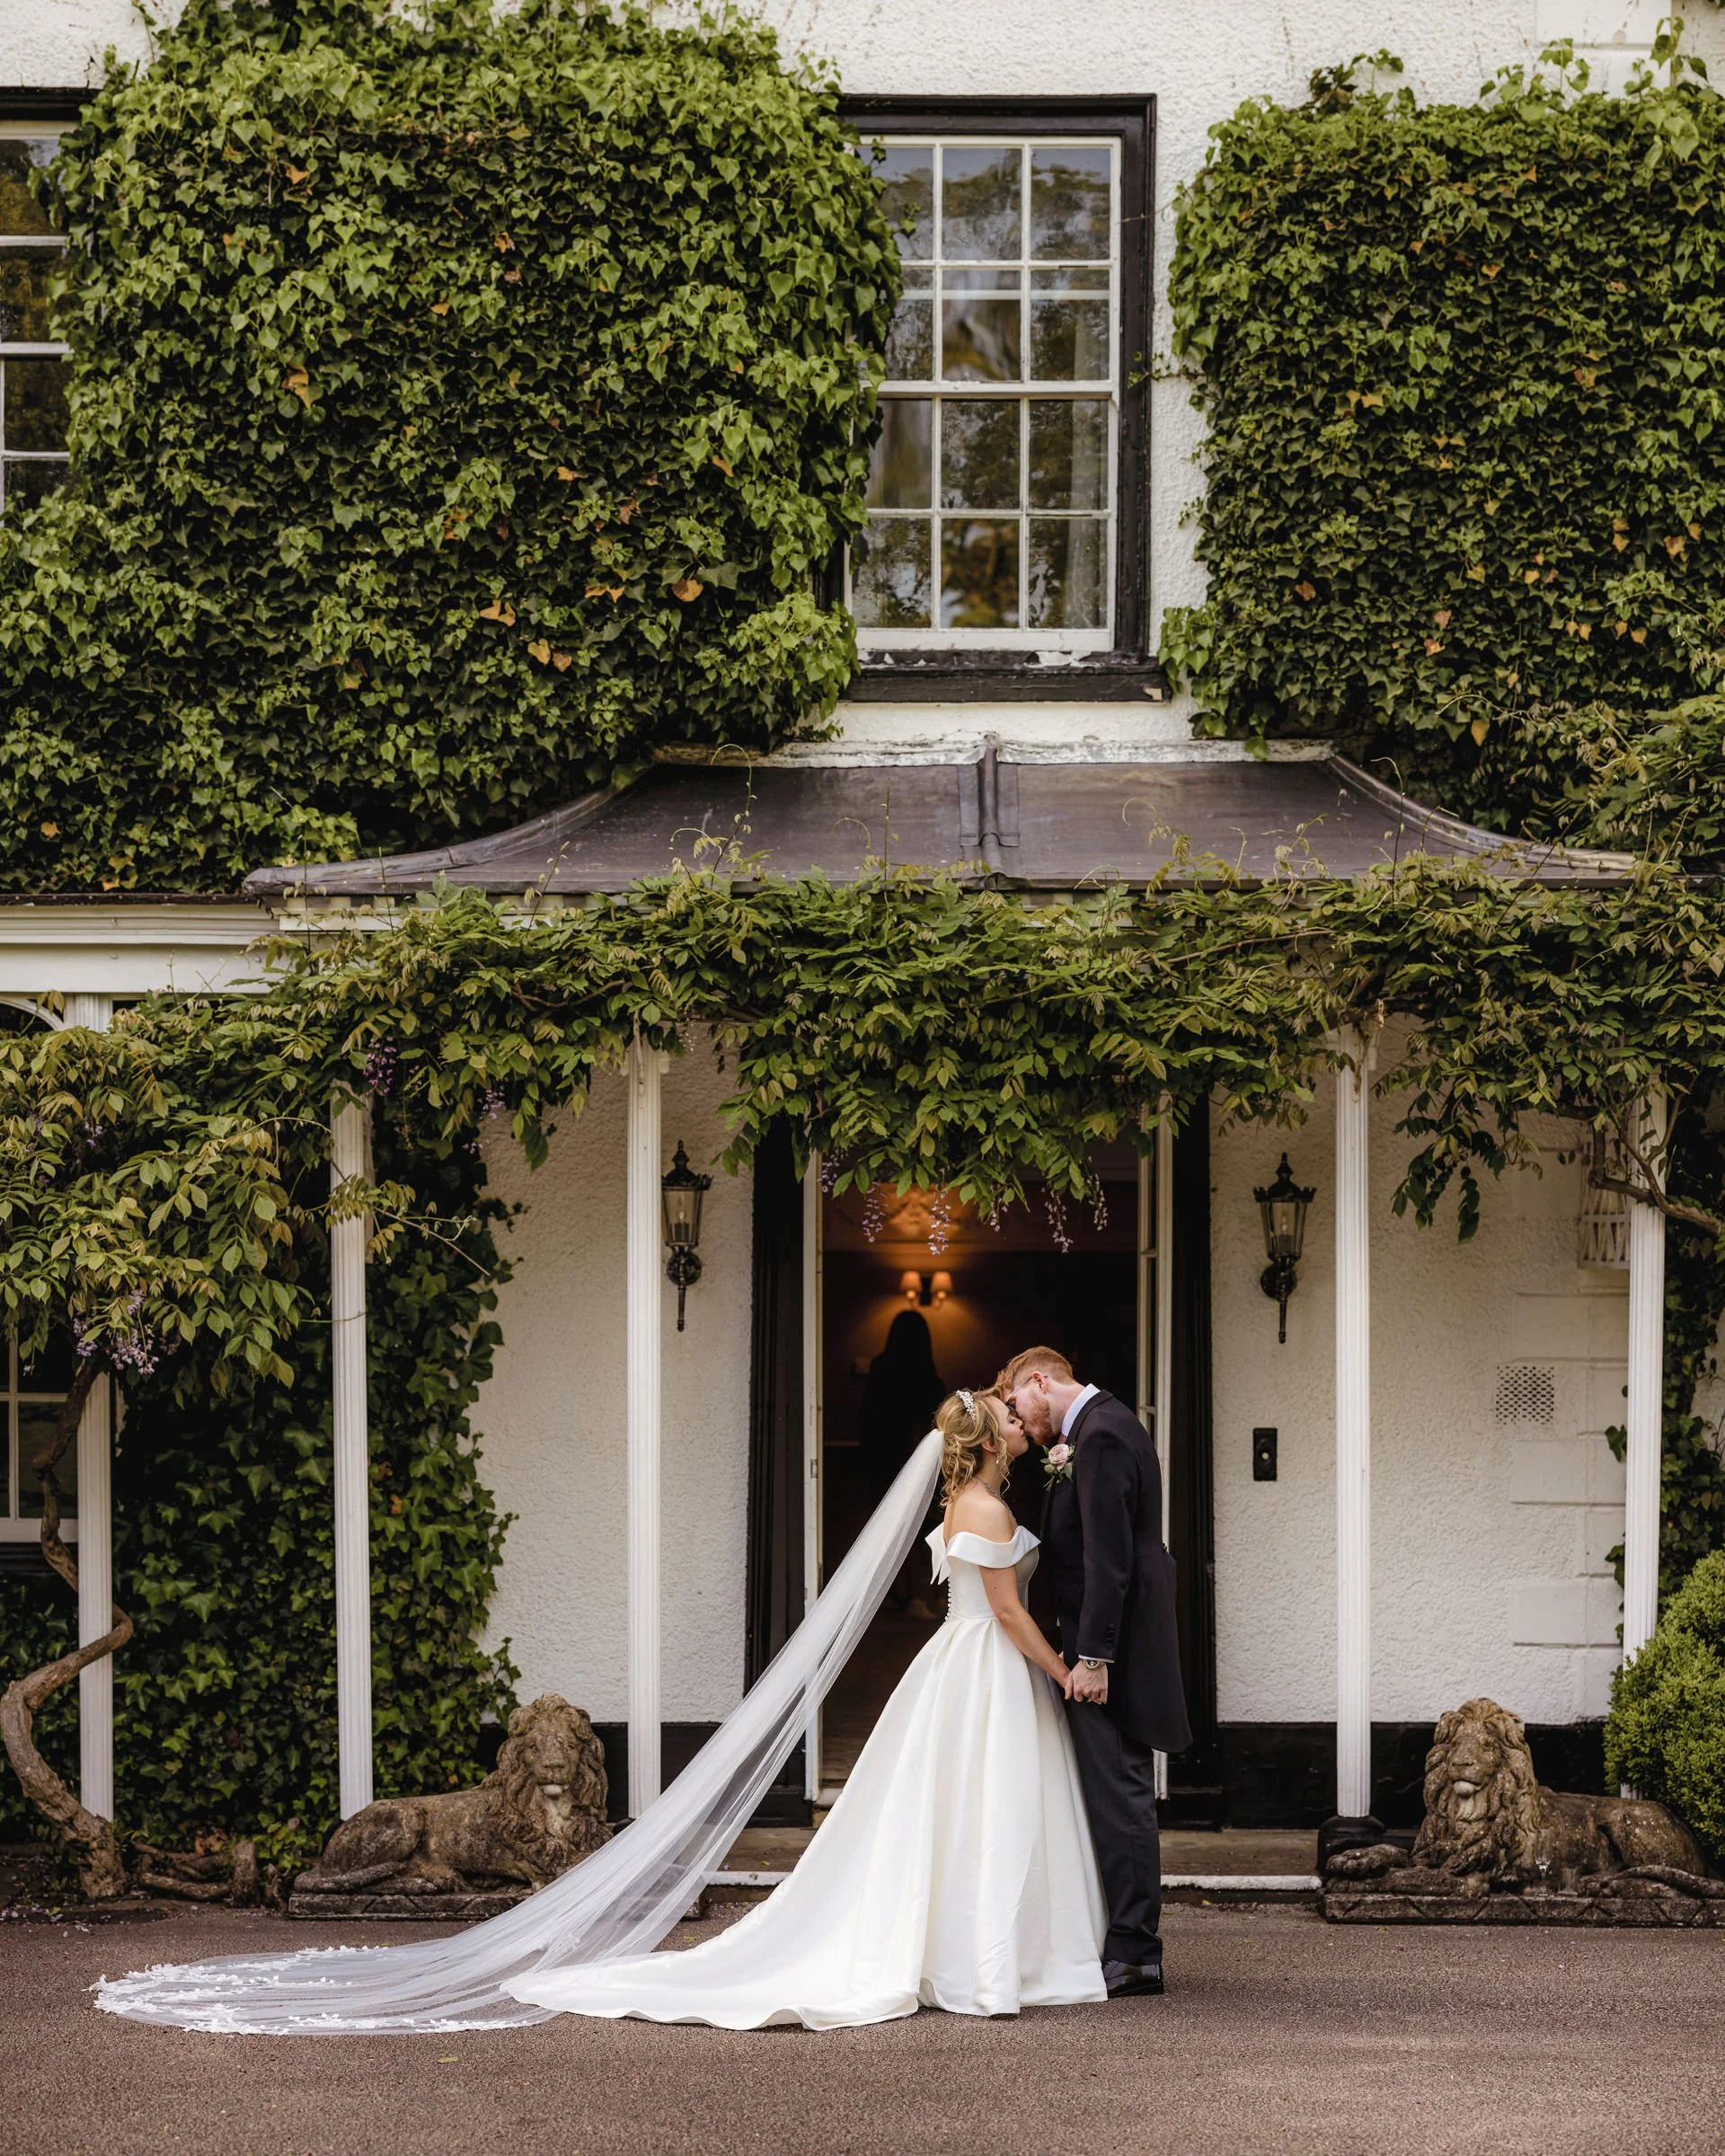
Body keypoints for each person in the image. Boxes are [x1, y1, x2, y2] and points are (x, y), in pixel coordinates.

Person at [500, 1389, 1105, 2027]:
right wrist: (1063, 1669)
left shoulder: (964, 1503)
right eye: (1011, 1420)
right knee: (988, 1807)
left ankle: (973, 1950)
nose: (1022, 1425)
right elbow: (1007, 1612)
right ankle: (987, 1958)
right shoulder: (989, 1512)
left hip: (967, 1659)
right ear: (988, 1441)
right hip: (989, 1664)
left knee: (965, 1808)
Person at [999, 1345, 1190, 2001]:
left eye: (1017, 1402)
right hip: (1112, 1645)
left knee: (1122, 1795)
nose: (1018, 1418)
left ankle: (1137, 1954)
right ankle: (1125, 1940)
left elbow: (1111, 1561)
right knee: (1116, 1793)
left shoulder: (1101, 1437)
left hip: (1113, 1654)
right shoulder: (1099, 1427)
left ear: (1042, 1382)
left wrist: (1094, 1658)